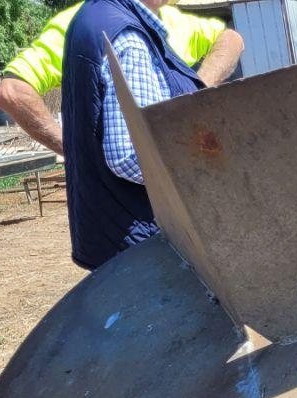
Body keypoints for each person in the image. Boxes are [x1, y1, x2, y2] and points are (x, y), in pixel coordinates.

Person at [58, 0, 204, 271]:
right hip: (142, 238)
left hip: (115, 232)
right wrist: (203, 168)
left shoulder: (93, 16)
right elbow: (130, 156)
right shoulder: (128, 39)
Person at [0, 1, 242, 156]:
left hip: (173, 170)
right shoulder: (79, 24)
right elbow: (12, 92)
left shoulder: (170, 18)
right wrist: (72, 150)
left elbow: (231, 39)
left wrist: (197, 89)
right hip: (119, 193)